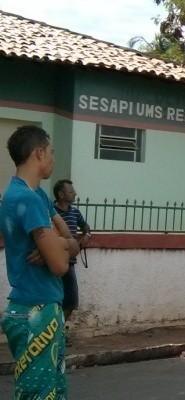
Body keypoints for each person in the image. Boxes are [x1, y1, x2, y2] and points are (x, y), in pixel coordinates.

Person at [1, 125, 79, 399]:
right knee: (40, 394)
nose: (53, 159)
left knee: (53, 391)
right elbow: (59, 266)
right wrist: (61, 247)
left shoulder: (34, 195)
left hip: (39, 306)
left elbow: (71, 241)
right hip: (37, 310)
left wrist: (58, 245)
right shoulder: (27, 199)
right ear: (38, 153)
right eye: (51, 153)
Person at [52, 179, 91, 323]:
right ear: (61, 194)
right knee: (53, 301)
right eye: (71, 191)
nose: (75, 194)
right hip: (53, 263)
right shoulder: (51, 212)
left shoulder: (75, 212)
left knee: (72, 301)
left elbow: (86, 226)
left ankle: (58, 331)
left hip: (70, 264)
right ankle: (55, 333)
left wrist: (86, 236)